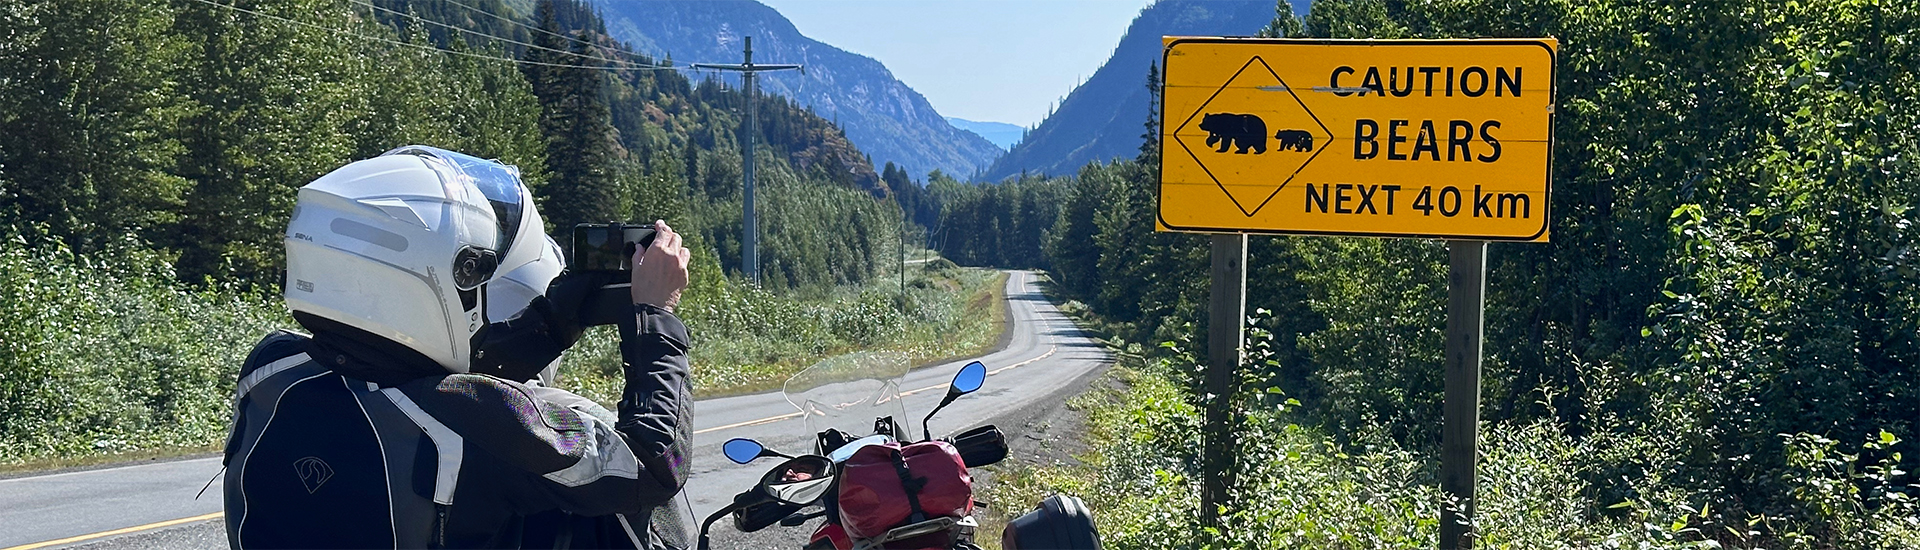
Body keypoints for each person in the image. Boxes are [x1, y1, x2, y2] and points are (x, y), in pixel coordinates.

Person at [221, 146, 695, 549]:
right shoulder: (474, 419)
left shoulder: (273, 368)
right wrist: (655, 315)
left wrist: (556, 318)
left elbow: (413, 359)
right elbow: (653, 464)